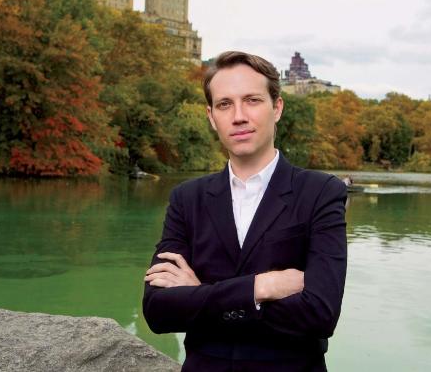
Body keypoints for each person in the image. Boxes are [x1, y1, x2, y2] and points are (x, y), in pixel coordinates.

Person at [143, 51, 347, 371]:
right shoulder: (187, 198)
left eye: (252, 100)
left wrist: (198, 295)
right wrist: (261, 288)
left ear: (276, 108)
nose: (238, 116)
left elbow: (320, 315)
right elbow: (157, 311)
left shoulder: (321, 192)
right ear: (211, 117)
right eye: (225, 104)